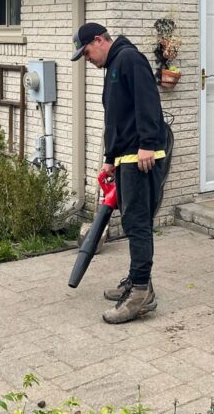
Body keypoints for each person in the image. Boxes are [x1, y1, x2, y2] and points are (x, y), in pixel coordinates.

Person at [71, 21, 167, 324]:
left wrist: (148, 144)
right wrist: (110, 157)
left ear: (99, 40)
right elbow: (116, 117)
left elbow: (148, 102)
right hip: (125, 157)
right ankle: (138, 280)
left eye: (86, 52)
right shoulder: (114, 65)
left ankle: (140, 293)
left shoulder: (129, 59)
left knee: (137, 223)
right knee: (131, 220)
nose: (87, 59)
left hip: (142, 157)